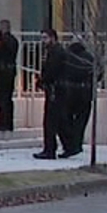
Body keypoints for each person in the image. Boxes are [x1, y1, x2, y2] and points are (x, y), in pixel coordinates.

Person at [59, 37, 97, 158]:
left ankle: (70, 145)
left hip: (68, 91)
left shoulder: (66, 56)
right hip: (85, 92)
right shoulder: (89, 57)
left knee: (66, 119)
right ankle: (76, 144)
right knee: (81, 121)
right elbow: (98, 74)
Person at [35, 30, 68, 159]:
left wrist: (43, 80)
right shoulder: (53, 51)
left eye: (45, 38)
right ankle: (63, 146)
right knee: (56, 120)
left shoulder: (56, 52)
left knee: (50, 121)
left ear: (53, 38)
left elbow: (52, 70)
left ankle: (50, 150)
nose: (43, 41)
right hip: (54, 89)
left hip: (56, 89)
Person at [0, 19, 19, 132]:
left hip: (2, 72)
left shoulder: (2, 41)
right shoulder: (14, 40)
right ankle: (8, 123)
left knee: (1, 98)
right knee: (7, 99)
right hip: (9, 71)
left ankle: (3, 123)